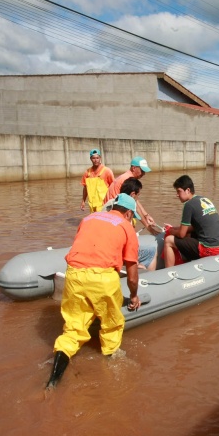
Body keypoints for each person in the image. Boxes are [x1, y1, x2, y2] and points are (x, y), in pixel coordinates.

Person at [46, 193, 141, 390]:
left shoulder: (88, 218)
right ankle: (110, 369)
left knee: (72, 329)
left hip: (74, 275)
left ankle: (53, 380)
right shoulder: (126, 227)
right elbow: (132, 274)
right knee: (111, 325)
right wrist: (133, 296)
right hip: (102, 278)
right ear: (129, 213)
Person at [163, 175, 219, 268]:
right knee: (189, 234)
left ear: (188, 190)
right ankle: (188, 262)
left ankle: (168, 273)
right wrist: (174, 228)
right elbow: (192, 227)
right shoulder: (204, 199)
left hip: (209, 248)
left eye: (178, 191)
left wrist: (170, 231)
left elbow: (181, 234)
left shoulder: (189, 205)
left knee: (168, 240)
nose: (177, 195)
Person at [103, 177, 163, 270]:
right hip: (113, 255)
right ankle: (149, 279)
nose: (137, 199)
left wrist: (147, 219)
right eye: (138, 195)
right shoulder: (126, 217)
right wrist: (136, 263)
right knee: (151, 251)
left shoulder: (110, 204)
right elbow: (126, 246)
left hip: (103, 251)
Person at [103, 156, 157, 231]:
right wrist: (148, 227)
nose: (144, 174)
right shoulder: (127, 180)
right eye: (142, 170)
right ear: (133, 168)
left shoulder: (127, 177)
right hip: (113, 215)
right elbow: (134, 205)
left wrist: (146, 215)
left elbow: (135, 200)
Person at [79, 148, 114, 213]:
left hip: (105, 205)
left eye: (97, 158)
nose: (96, 160)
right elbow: (85, 188)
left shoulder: (107, 171)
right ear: (90, 159)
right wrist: (83, 201)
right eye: (93, 158)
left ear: (100, 158)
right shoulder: (87, 173)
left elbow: (113, 187)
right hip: (92, 206)